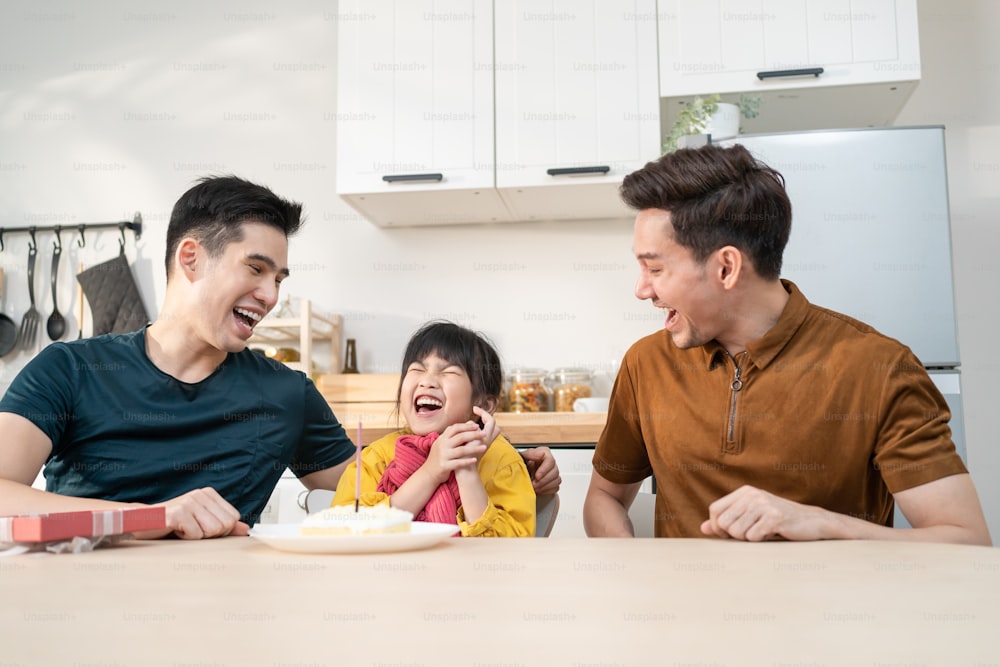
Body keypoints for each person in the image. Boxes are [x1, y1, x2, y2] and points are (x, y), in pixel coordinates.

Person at [0, 176, 560, 540]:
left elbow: (375, 491)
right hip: (78, 606)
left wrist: (506, 469)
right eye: (255, 269)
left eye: (279, 279)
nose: (270, 296)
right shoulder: (69, 370)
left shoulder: (285, 395)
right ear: (191, 258)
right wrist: (151, 517)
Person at [583, 144, 991, 545]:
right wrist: (635, 569)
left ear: (726, 267)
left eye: (655, 268)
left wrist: (822, 523)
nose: (641, 290)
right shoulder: (647, 362)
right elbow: (605, 497)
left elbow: (965, 540)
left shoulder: (879, 367)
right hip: (683, 611)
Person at [332, 321, 535, 536]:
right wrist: (431, 472)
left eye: (448, 372)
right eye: (417, 369)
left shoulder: (502, 461)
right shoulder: (375, 459)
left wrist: (466, 470)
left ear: (483, 405)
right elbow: (344, 532)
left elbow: (510, 549)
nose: (427, 381)